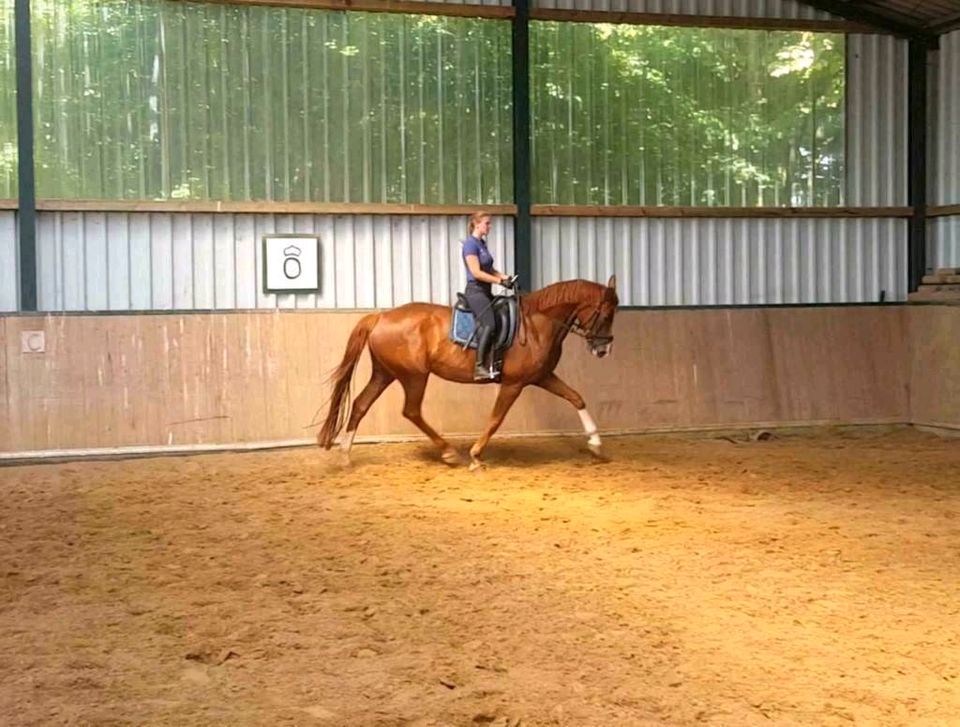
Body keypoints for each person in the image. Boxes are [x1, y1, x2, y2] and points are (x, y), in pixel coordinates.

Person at [461, 212, 515, 381]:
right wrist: (499, 281)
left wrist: (506, 277)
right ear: (477, 224)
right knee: (489, 324)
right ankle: (479, 367)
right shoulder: (470, 245)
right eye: (487, 223)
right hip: (475, 291)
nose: (489, 226)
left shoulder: (481, 244)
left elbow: (489, 270)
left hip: (486, 290)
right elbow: (476, 272)